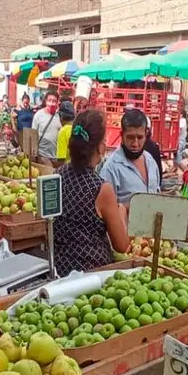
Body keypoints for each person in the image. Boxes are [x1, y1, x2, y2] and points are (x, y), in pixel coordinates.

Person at [54, 110, 130, 275]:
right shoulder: (101, 189)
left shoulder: (57, 175)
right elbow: (122, 245)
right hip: (92, 274)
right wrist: (122, 212)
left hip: (60, 269)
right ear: (101, 147)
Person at [100, 108, 161, 206]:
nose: (135, 144)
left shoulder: (151, 161)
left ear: (146, 135)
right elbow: (105, 208)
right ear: (122, 135)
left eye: (140, 137)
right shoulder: (111, 169)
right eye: (130, 137)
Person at [31, 90, 61, 163]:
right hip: (42, 155)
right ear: (46, 101)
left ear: (57, 103)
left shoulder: (59, 116)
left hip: (55, 156)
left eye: (54, 101)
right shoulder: (38, 115)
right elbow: (33, 135)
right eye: (49, 100)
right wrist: (33, 155)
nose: (52, 103)